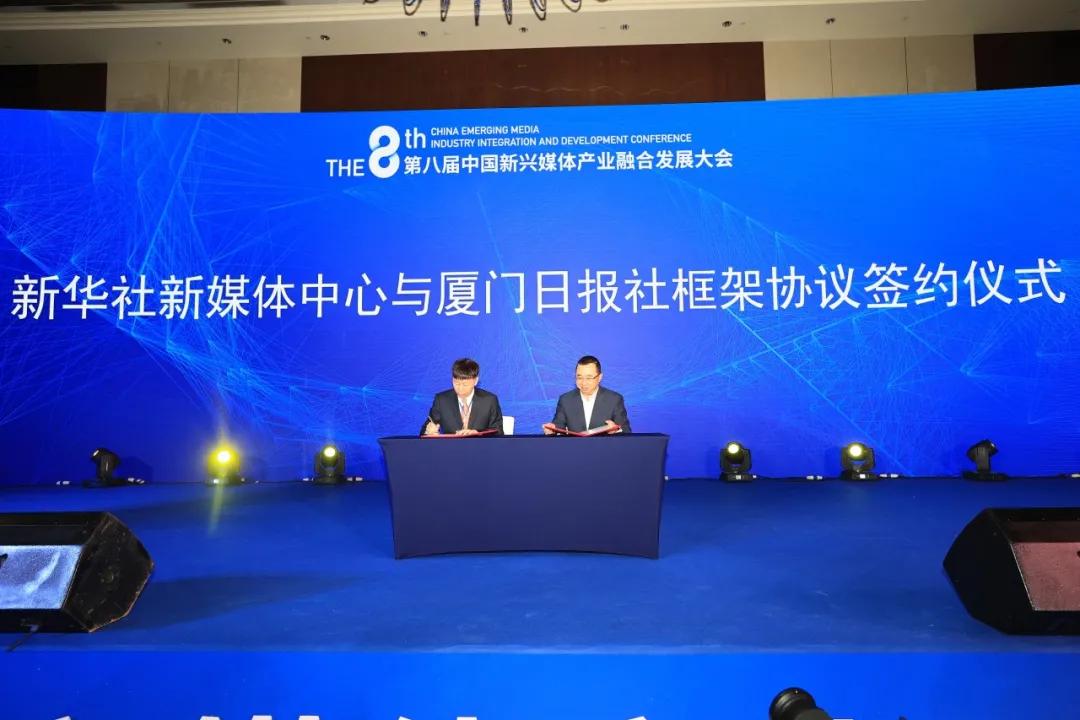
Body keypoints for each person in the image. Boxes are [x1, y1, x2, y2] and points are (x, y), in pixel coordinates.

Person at [543, 355, 631, 435]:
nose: (584, 383)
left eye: (589, 378)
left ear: (600, 377)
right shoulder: (565, 400)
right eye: (579, 377)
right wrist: (552, 431)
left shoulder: (614, 399)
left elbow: (626, 432)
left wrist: (616, 430)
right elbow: (558, 427)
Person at [422, 358, 504, 436]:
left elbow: (498, 433)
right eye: (456, 383)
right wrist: (429, 431)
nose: (460, 388)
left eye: (465, 384)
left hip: (480, 445)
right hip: (451, 445)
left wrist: (478, 434)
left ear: (476, 381)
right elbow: (423, 433)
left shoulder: (489, 400)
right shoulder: (441, 400)